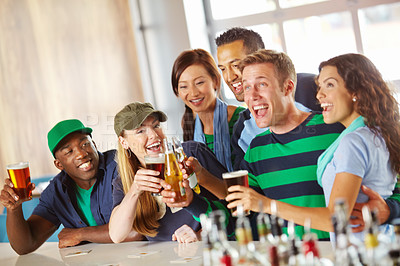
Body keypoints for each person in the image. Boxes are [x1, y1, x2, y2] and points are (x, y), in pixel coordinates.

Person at [226, 51, 400, 240]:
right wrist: (200, 181)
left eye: (261, 84)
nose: (252, 95)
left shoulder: (340, 130)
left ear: (288, 87)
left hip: (351, 251)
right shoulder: (256, 149)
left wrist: (390, 210)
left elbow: (388, 185)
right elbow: (240, 201)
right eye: (246, 87)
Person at [0, 119, 141, 255]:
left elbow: (138, 230)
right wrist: (14, 209)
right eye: (69, 152)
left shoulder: (121, 166)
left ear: (95, 145)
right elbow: (25, 246)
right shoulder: (56, 192)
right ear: (59, 164)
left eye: (85, 144)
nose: (81, 154)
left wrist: (80, 234)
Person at [108, 102, 231, 243]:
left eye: (156, 126)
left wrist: (202, 235)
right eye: (140, 131)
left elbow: (233, 201)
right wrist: (135, 191)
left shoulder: (191, 152)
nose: (154, 135)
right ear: (124, 142)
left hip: (210, 247)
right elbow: (116, 235)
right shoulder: (127, 180)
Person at [215, 27, 318, 169]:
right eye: (223, 69)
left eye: (236, 65)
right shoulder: (243, 129)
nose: (229, 77)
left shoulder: (309, 89)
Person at [171, 48, 245, 171]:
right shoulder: (189, 124)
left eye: (199, 83)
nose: (193, 93)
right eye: (184, 86)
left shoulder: (241, 118)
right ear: (177, 91)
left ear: (215, 81)